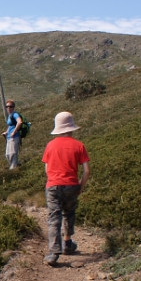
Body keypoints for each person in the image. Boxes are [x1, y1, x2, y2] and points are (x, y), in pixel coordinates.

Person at [42, 111, 90, 266]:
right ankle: (67, 243)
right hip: (71, 184)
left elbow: (46, 168)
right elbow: (86, 170)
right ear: (71, 127)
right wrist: (80, 186)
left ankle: (53, 252)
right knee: (69, 213)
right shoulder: (79, 145)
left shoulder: (50, 145)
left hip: (53, 185)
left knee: (53, 218)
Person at [1, 99, 23, 169]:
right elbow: (11, 125)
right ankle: (15, 167)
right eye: (7, 107)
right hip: (9, 137)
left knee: (12, 154)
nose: (8, 108)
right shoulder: (10, 116)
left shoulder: (15, 114)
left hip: (14, 137)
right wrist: (6, 132)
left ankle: (14, 169)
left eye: (10, 106)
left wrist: (14, 132)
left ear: (13, 107)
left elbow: (19, 122)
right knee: (7, 155)